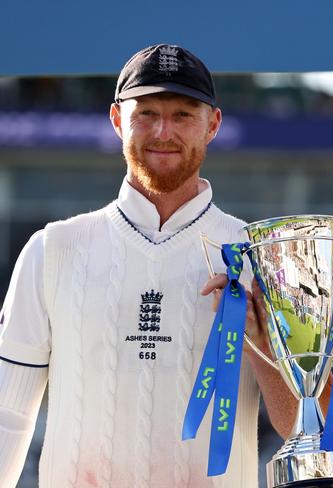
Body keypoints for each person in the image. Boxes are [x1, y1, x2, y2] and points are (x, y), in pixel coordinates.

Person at [0, 44, 293, 487]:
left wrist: (265, 343)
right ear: (117, 119)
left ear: (212, 124)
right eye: (147, 113)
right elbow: (8, 415)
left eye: (182, 115)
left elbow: (303, 429)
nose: (163, 131)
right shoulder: (52, 249)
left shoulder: (262, 258)